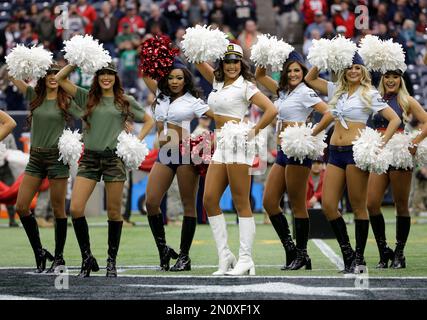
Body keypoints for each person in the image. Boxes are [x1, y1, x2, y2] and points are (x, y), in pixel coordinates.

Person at [55, 62, 154, 277]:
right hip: (89, 158)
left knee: (114, 212)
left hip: (113, 159)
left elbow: (148, 120)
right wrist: (76, 60)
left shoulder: (124, 101)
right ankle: (87, 258)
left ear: (115, 77)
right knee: (76, 209)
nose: (106, 77)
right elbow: (61, 80)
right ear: (97, 76)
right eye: (102, 73)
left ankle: (111, 261)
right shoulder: (85, 97)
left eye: (110, 73)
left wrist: (135, 140)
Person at [305, 52, 401, 273]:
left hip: (356, 152)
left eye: (357, 67)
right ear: (343, 70)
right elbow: (310, 78)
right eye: (349, 67)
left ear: (363, 70)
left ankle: (358, 257)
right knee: (329, 205)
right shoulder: (335, 89)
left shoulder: (369, 93)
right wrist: (327, 53)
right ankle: (347, 253)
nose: (353, 71)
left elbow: (395, 119)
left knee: (358, 206)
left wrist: (380, 143)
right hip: (335, 152)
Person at [191, 43, 277, 275]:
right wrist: (202, 38)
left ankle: (246, 259)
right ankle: (225, 255)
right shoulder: (217, 82)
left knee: (241, 202)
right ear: (223, 63)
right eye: (228, 61)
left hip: (238, 144)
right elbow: (197, 58)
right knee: (209, 199)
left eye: (236, 62)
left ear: (241, 64)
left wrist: (253, 131)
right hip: (221, 145)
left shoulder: (246, 86)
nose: (232, 66)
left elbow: (271, 110)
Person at [255, 51, 333, 270]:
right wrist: (267, 51)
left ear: (303, 72)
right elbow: (259, 75)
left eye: (297, 70)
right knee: (270, 202)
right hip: (282, 150)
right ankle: (291, 250)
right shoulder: (282, 92)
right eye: (289, 70)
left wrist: (311, 133)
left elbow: (328, 113)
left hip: (298, 150)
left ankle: (302, 254)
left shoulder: (305, 92)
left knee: (297, 204)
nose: (293, 74)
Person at [142, 58, 214, 271]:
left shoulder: (193, 101)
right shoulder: (161, 95)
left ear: (186, 79)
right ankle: (163, 251)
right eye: (171, 77)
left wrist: (212, 138)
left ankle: (184, 256)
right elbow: (146, 72)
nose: (175, 81)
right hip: (165, 152)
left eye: (179, 78)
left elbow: (216, 116)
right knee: (151, 202)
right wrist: (158, 56)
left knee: (188, 205)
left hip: (184, 151)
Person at [10, 64, 81, 273]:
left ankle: (59, 257)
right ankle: (39, 252)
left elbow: (88, 115)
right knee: (21, 206)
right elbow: (13, 75)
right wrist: (28, 62)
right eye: (49, 73)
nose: (52, 77)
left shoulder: (66, 99)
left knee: (58, 209)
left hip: (57, 158)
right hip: (35, 157)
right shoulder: (34, 95)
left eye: (56, 74)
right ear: (43, 77)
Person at [367, 67, 427, 269]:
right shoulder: (375, 98)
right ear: (382, 78)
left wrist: (415, 141)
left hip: (399, 153)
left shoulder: (406, 100)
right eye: (387, 77)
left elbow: (426, 120)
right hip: (381, 154)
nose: (391, 80)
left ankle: (399, 253)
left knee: (400, 205)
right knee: (372, 203)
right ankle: (384, 252)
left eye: (395, 77)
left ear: (401, 80)